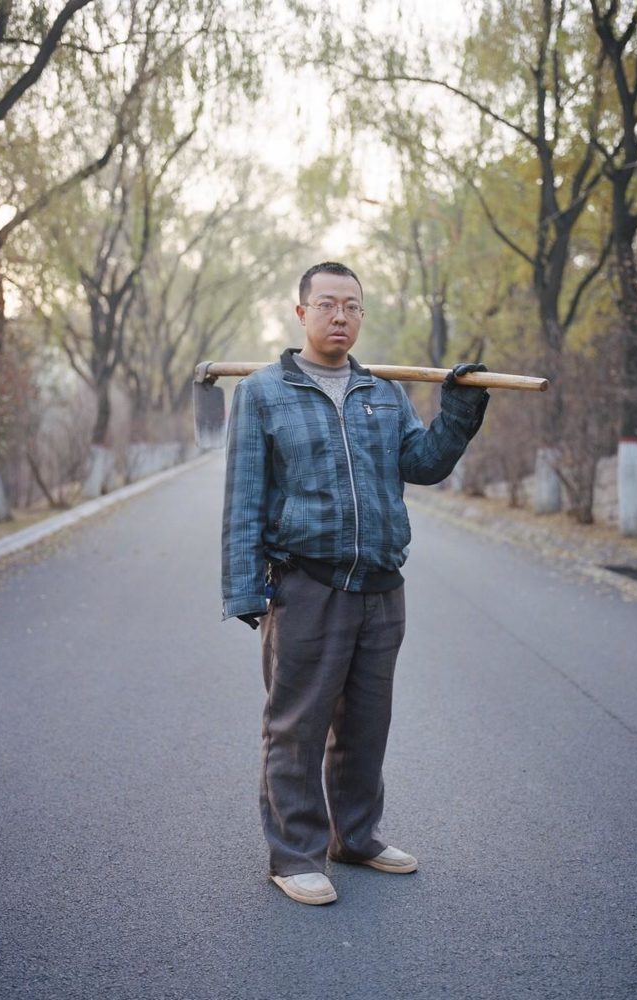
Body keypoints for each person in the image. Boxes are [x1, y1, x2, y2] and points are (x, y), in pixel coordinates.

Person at [221, 261, 489, 906]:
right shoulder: (264, 393)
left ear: (360, 316)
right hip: (306, 584)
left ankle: (357, 837)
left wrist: (460, 408)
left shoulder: (383, 391)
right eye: (328, 304)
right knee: (297, 726)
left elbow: (421, 466)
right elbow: (244, 496)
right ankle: (295, 854)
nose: (340, 316)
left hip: (380, 584)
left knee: (367, 724)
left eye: (352, 306)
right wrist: (243, 590)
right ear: (302, 313)